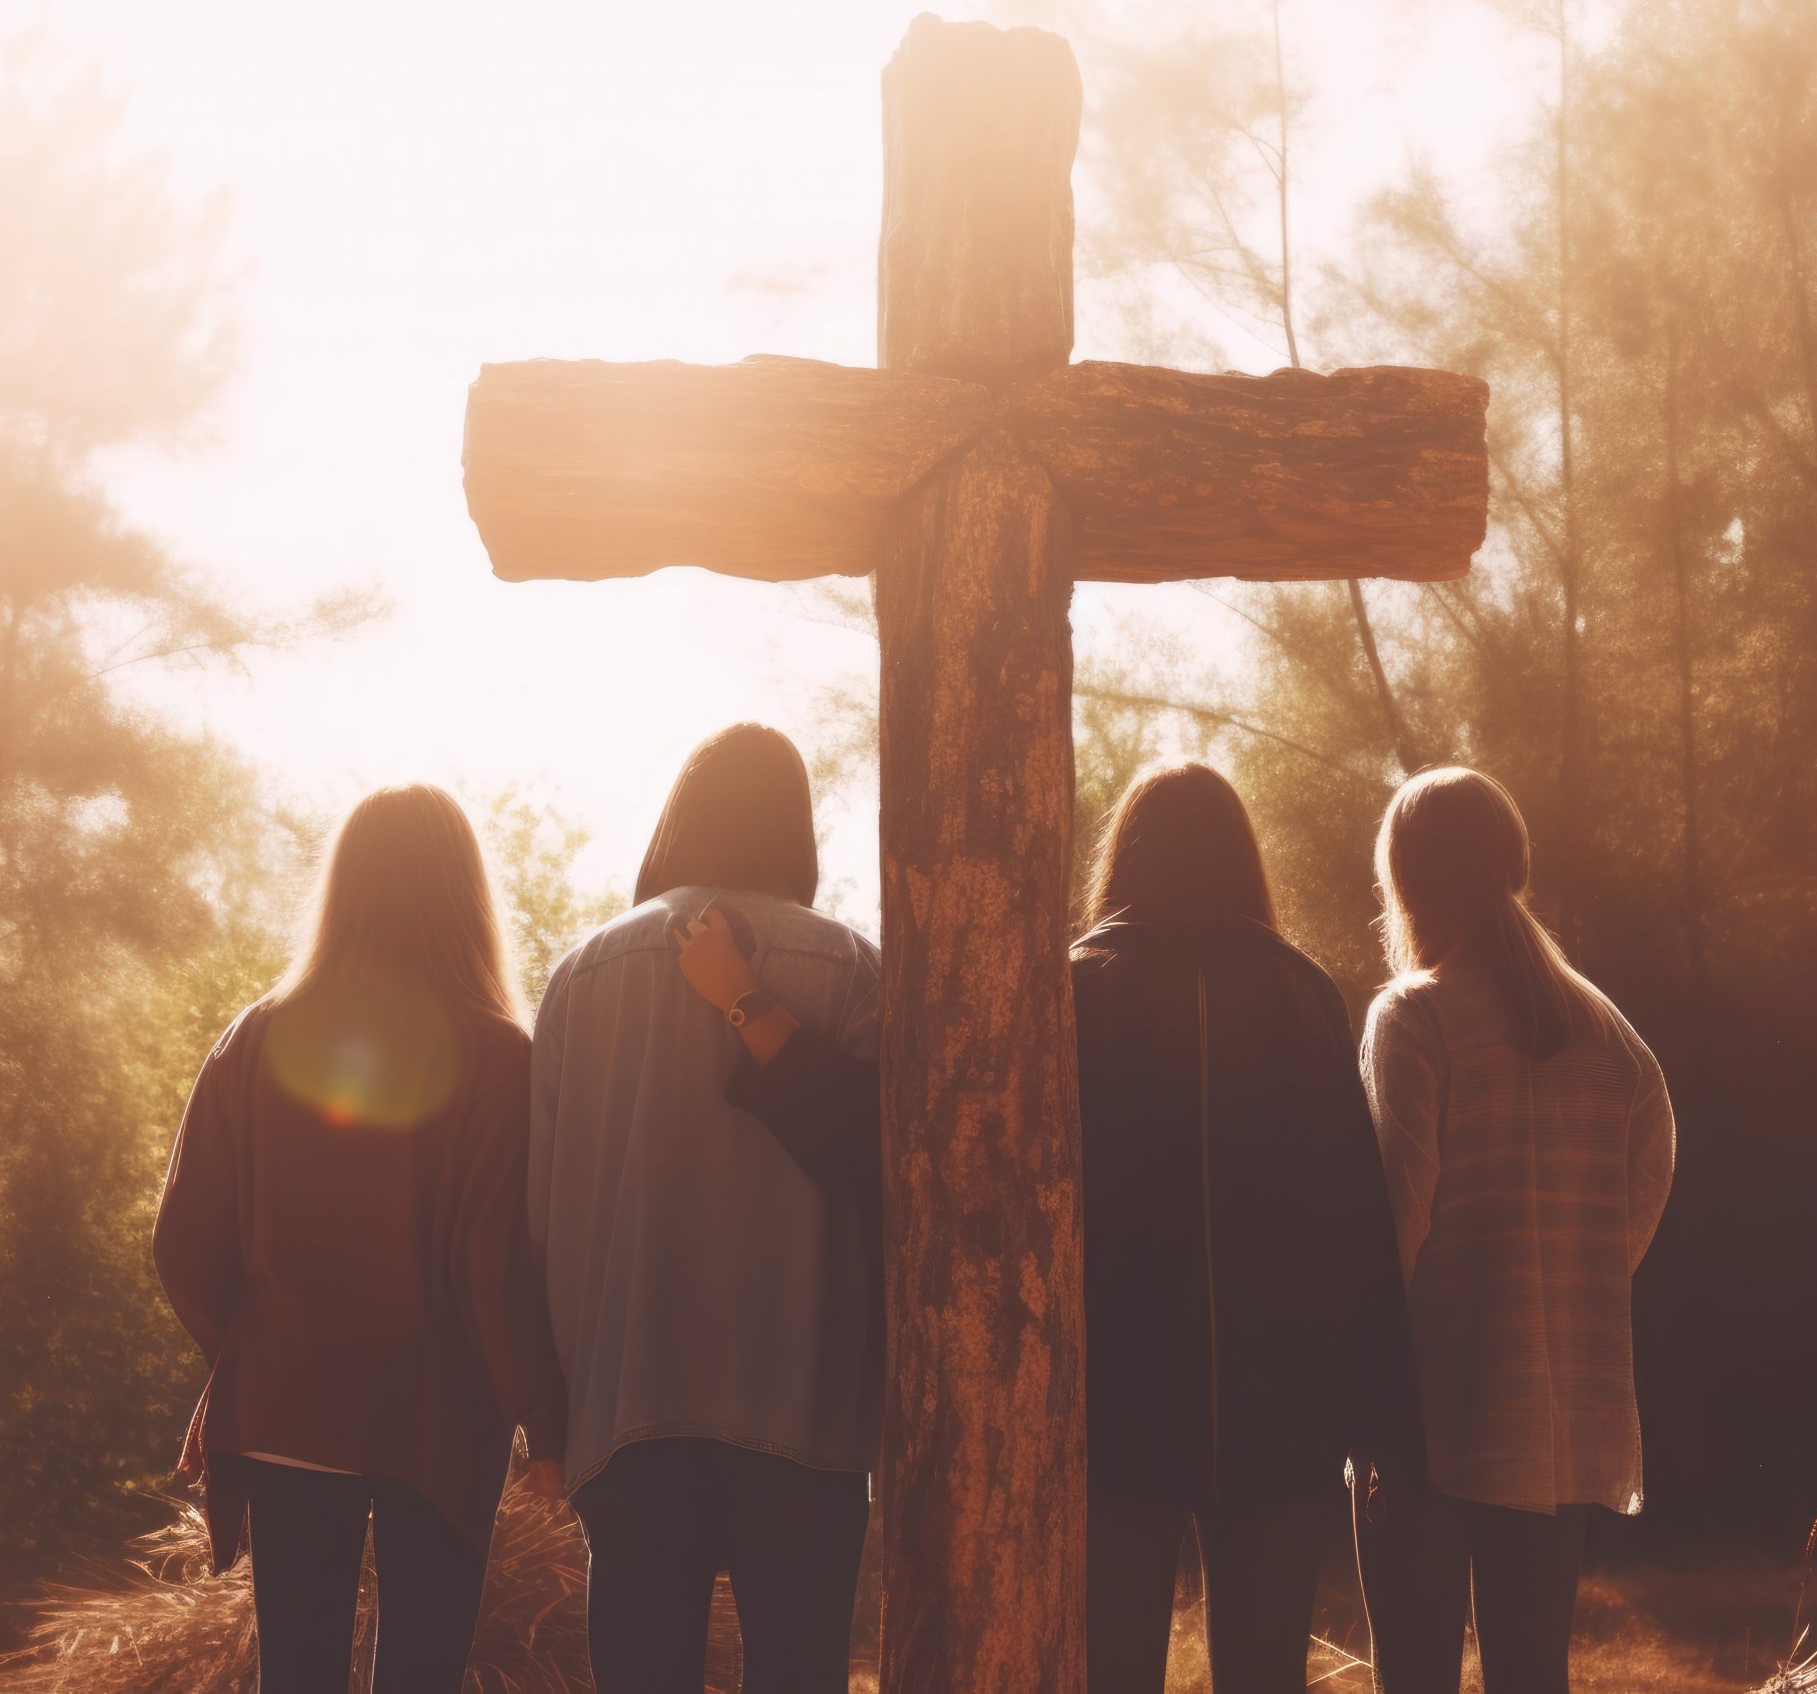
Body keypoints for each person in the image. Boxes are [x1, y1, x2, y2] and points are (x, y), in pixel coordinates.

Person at [678, 761, 1423, 1692]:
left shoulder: (1064, 988)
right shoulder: (1303, 992)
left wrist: (754, 1017)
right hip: (1285, 1416)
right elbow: (1354, 1213)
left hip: (1107, 1413)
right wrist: (1384, 1416)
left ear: (1123, 859)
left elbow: (923, 1155)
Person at [154, 783, 562, 1694]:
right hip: (437, 1411)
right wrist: (546, 1416)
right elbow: (489, 1260)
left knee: (295, 1674)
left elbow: (182, 1239)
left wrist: (254, 1347)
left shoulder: (255, 1037)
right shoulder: (499, 1057)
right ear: (465, 893)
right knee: (422, 1672)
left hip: (289, 1401)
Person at [529, 723, 883, 1694]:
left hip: (628, 1401)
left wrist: (554, 1411)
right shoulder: (855, 969)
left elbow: (542, 1211)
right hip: (804, 1399)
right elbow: (895, 1181)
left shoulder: (577, 979)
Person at [1356, 766, 1677, 1694]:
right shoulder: (1613, 1036)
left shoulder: (1414, 1016)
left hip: (1429, 1407)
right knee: (1534, 1675)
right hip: (1566, 1410)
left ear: (1405, 879)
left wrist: (1359, 1396)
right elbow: (1648, 1182)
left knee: (1414, 1675)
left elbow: (1395, 1221)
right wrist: (1573, 1285)